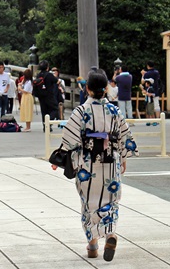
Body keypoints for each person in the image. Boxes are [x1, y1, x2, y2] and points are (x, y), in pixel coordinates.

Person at [54, 69, 138, 262]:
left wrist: (64, 155)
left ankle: (92, 244)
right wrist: (123, 158)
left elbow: (69, 138)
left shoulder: (81, 111)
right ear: (106, 88)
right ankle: (110, 233)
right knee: (111, 200)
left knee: (89, 202)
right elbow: (124, 137)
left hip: (87, 163)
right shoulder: (114, 111)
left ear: (88, 89)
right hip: (110, 161)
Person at [35, 60, 59, 130]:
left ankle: (45, 127)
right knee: (55, 109)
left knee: (44, 111)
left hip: (41, 96)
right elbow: (56, 81)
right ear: (47, 67)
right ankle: (48, 122)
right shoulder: (49, 75)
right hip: (49, 95)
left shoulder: (38, 75)